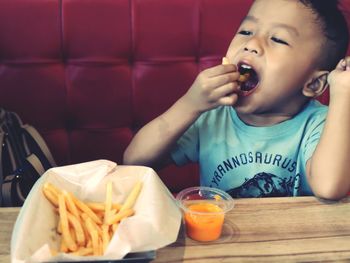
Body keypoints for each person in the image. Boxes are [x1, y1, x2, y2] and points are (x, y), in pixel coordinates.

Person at [123, 0, 350, 200]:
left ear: (313, 84)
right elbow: (134, 159)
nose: (251, 44)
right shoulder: (213, 116)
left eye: (278, 39)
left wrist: (343, 93)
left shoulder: (320, 125)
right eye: (246, 31)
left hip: (291, 243)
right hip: (218, 239)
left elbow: (330, 187)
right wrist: (190, 105)